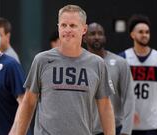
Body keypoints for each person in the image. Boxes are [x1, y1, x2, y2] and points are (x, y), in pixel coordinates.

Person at [9, 4, 115, 135]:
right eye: (63, 25)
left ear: (84, 29)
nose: (67, 29)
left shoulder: (97, 64)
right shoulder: (41, 60)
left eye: (73, 25)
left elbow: (105, 106)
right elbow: (28, 102)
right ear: (58, 27)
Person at [119, 14, 157, 135]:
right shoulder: (123, 58)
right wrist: (126, 110)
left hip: (152, 124)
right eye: (141, 32)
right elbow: (116, 92)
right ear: (132, 34)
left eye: (147, 32)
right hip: (127, 124)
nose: (145, 35)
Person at [84, 22, 135, 135]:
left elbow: (129, 98)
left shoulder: (120, 63)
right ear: (85, 38)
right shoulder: (78, 64)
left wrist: (126, 131)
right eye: (92, 34)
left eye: (100, 34)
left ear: (105, 37)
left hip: (113, 128)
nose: (97, 37)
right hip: (85, 129)